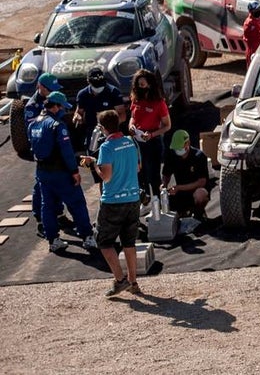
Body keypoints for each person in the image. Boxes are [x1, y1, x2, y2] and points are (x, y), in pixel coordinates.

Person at [80, 109, 143, 297]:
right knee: (129, 242)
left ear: (102, 128)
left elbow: (106, 177)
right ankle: (133, 282)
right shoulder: (131, 142)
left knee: (104, 242)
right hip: (133, 199)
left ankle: (120, 280)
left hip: (113, 201)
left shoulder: (106, 148)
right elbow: (138, 167)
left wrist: (94, 165)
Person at [28, 91, 97, 252]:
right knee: (77, 204)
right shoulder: (57, 126)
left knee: (48, 206)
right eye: (62, 108)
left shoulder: (33, 124)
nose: (64, 112)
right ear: (55, 106)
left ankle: (53, 240)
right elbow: (66, 151)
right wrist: (74, 171)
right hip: (61, 173)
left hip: (42, 172)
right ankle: (87, 237)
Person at [25, 73, 65, 236]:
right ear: (40, 87)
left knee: (59, 180)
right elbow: (34, 131)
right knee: (40, 185)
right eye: (49, 89)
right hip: (44, 152)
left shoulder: (54, 99)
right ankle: (41, 219)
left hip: (55, 149)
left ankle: (58, 211)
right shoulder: (32, 106)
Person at [127, 68, 171, 202]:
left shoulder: (159, 103)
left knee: (153, 174)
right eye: (138, 85)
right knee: (140, 172)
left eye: (143, 85)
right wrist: (131, 126)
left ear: (149, 84)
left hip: (153, 141)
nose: (140, 88)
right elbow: (133, 117)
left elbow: (167, 125)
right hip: (137, 140)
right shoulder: (135, 99)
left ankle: (157, 200)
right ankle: (144, 199)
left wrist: (151, 135)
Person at [72, 67, 127, 166]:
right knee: (94, 160)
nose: (98, 88)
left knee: (111, 162)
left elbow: (122, 115)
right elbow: (79, 112)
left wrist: (109, 125)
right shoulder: (83, 94)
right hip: (92, 131)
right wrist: (77, 117)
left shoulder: (113, 92)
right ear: (88, 81)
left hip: (111, 133)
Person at [162, 129, 210, 219]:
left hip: (195, 189)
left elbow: (202, 182)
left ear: (187, 143)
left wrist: (179, 187)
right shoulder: (172, 156)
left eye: (179, 148)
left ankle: (199, 212)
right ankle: (183, 212)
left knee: (200, 195)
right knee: (166, 200)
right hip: (181, 192)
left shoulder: (199, 156)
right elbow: (166, 174)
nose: (178, 151)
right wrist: (164, 184)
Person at [242, 1, 260, 67]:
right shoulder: (249, 23)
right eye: (256, 10)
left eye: (258, 9)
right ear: (251, 11)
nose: (258, 11)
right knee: (253, 68)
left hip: (259, 48)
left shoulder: (257, 20)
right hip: (253, 50)